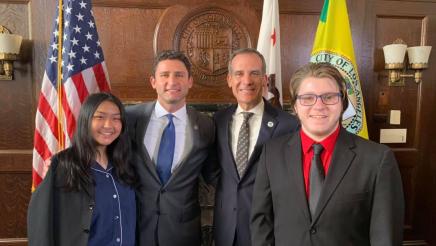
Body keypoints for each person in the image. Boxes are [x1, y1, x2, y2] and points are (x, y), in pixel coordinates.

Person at [251, 62, 405, 246]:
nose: (319, 106)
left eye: (329, 97)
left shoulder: (378, 159)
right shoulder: (272, 153)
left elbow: (385, 236)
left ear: (342, 104)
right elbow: (262, 223)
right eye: (308, 98)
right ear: (295, 107)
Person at [126, 50, 218, 246]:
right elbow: (98, 148)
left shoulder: (205, 125)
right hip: (135, 228)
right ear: (153, 81)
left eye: (179, 75)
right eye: (164, 75)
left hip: (183, 233)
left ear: (190, 81)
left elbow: (216, 175)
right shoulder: (129, 118)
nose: (172, 81)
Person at [213, 48, 299, 246]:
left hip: (269, 228)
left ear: (265, 79)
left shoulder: (288, 125)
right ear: (229, 80)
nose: (247, 80)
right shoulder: (218, 121)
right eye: (239, 74)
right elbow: (213, 170)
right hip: (226, 228)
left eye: (254, 73)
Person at [28, 92, 137, 246]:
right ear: (85, 120)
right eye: (100, 117)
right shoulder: (63, 166)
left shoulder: (126, 164)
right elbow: (41, 223)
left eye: (116, 118)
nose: (108, 125)